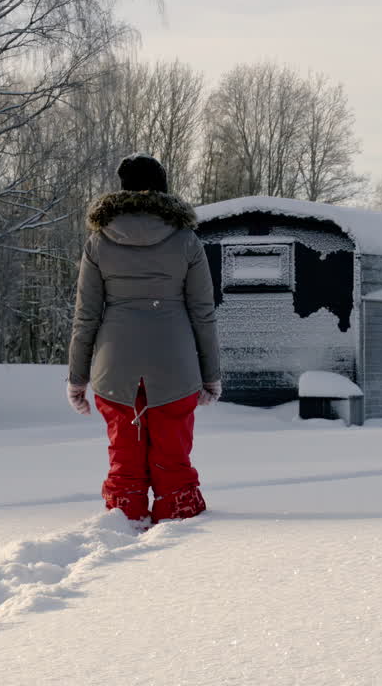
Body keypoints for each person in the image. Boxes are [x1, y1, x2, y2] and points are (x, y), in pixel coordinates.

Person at [66, 153, 221, 527]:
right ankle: (177, 526)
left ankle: (123, 521)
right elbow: (203, 312)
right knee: (173, 460)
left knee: (125, 459)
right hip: (176, 364)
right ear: (163, 189)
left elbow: (86, 315)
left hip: (114, 366)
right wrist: (210, 374)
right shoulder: (186, 241)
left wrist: (77, 377)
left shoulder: (99, 241)